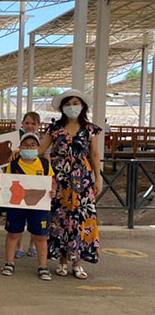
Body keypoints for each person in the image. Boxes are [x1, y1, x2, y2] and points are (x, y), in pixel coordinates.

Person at [39, 90, 101, 280]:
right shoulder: (55, 128)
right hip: (60, 178)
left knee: (80, 218)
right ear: (62, 108)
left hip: (82, 179)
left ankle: (78, 262)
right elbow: (41, 149)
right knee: (60, 217)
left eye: (75, 103)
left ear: (82, 106)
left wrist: (98, 178)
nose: (71, 107)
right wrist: (20, 151)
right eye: (67, 104)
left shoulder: (90, 129)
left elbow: (94, 154)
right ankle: (62, 260)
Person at [0, 133, 56, 281]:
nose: (29, 148)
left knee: (40, 236)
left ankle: (43, 266)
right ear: (20, 147)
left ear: (38, 147)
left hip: (39, 205)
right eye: (25, 145)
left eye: (33, 145)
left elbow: (52, 181)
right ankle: (9, 263)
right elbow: (6, 183)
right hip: (16, 205)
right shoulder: (14, 164)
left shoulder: (44, 164)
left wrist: (53, 190)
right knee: (13, 233)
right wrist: (2, 190)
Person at [14, 111, 42, 259]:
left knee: (35, 214)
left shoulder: (42, 140)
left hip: (36, 179)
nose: (30, 126)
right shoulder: (15, 137)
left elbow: (46, 156)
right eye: (27, 123)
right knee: (18, 216)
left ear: (38, 125)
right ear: (22, 123)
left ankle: (33, 245)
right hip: (19, 177)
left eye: (33, 123)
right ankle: (18, 246)